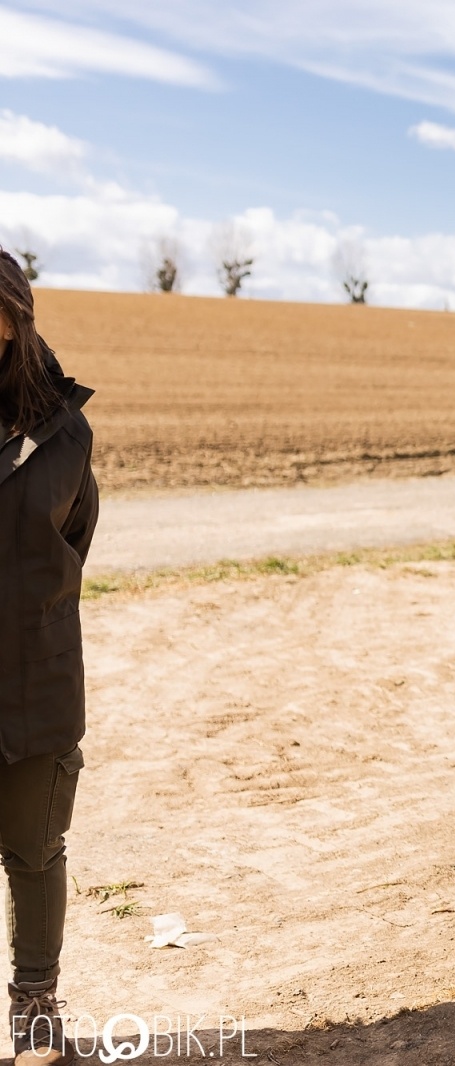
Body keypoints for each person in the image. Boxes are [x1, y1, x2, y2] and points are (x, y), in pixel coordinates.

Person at [0, 247, 98, 1065]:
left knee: (34, 849)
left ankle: (34, 1006)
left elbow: (74, 541)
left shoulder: (62, 431)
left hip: (35, 674)